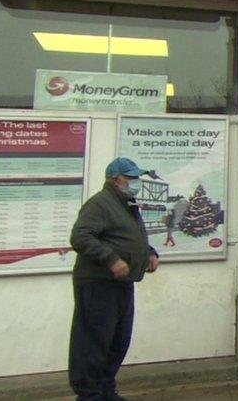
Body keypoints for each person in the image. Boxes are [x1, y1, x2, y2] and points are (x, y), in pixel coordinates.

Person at [68, 157, 160, 401]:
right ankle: (89, 395)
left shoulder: (127, 204)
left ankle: (106, 391)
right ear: (115, 179)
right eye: (131, 178)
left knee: (118, 340)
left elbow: (133, 237)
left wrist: (149, 253)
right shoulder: (100, 203)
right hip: (98, 284)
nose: (136, 182)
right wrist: (112, 260)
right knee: (94, 342)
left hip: (122, 284)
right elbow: (80, 237)